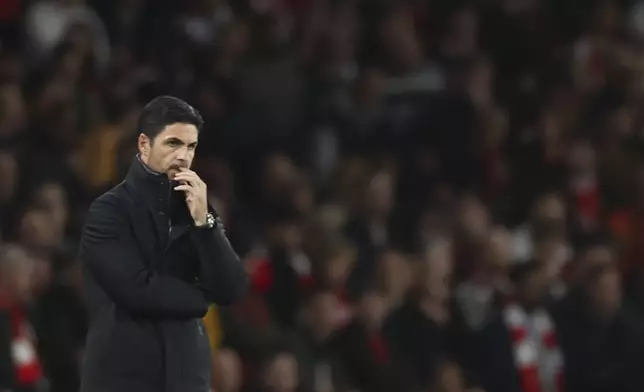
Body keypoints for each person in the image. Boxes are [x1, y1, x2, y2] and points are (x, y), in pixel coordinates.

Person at [78, 96, 248, 392]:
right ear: (144, 144)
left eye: (191, 146)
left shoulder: (197, 210)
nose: (183, 156)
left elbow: (231, 288)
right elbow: (137, 290)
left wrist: (205, 225)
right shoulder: (108, 211)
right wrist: (199, 300)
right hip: (123, 377)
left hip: (187, 376)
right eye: (173, 143)